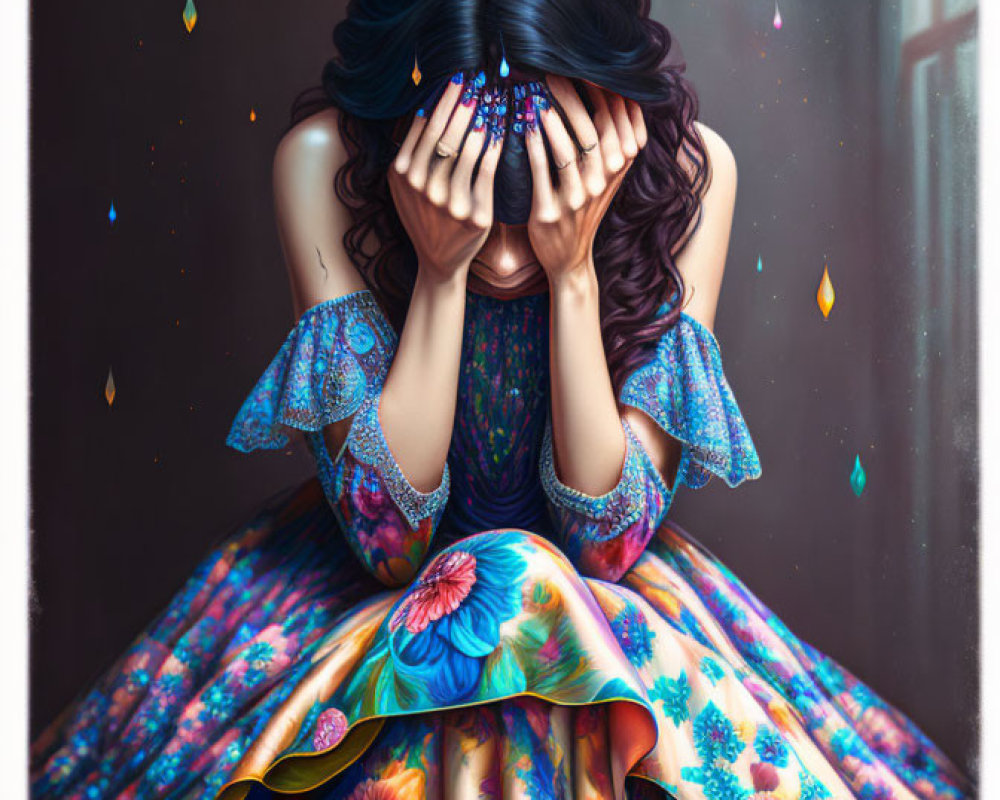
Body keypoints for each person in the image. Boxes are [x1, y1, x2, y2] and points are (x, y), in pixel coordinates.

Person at [29, 1, 973, 798]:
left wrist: (575, 278)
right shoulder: (321, 159)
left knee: (543, 595)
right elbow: (391, 551)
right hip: (354, 601)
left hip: (608, 604)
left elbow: (606, 549)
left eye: (541, 205)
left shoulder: (689, 173)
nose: (507, 258)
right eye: (473, 205)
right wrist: (439, 275)